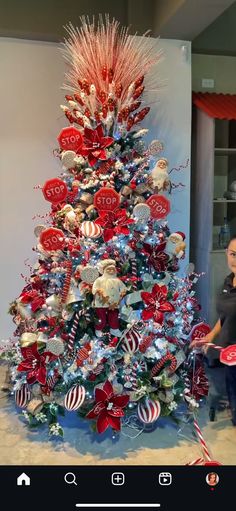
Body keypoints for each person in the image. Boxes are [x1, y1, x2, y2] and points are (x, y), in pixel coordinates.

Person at [191, 236, 236, 426]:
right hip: (229, 352)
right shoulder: (228, 282)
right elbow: (225, 316)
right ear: (227, 253)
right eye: (233, 254)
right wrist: (210, 336)